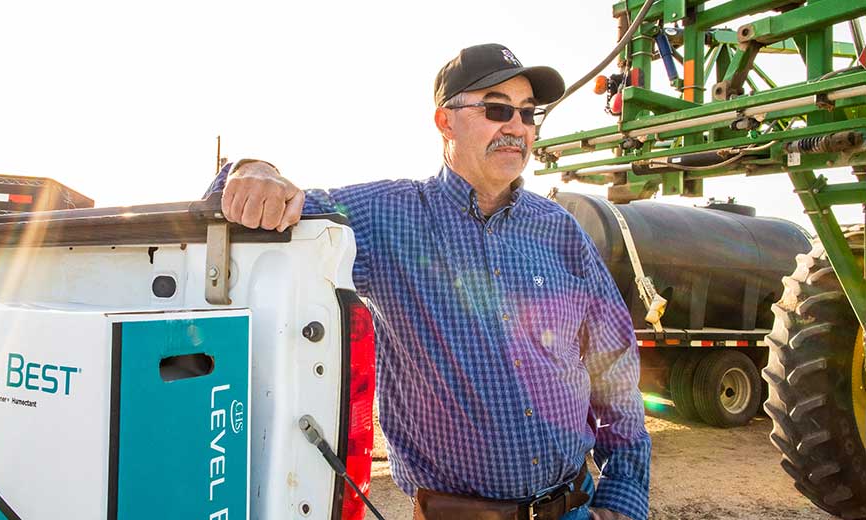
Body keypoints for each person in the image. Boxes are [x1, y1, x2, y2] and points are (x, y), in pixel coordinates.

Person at [206, 43, 651, 520]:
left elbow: (615, 365)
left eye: (527, 113)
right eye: (497, 108)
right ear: (445, 121)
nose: (517, 127)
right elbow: (262, 208)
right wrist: (254, 170)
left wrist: (622, 498)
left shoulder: (561, 229)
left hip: (575, 506)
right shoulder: (388, 218)